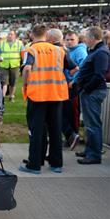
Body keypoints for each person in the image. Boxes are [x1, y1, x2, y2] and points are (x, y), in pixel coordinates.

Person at [19, 25, 70, 174]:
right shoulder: (60, 50)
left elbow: (27, 68)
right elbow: (73, 68)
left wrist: (26, 84)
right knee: (55, 129)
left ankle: (34, 165)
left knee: (36, 130)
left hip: (38, 95)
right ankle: (56, 164)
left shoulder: (31, 50)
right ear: (46, 34)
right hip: (56, 94)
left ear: (31, 35)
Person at [75, 26, 110, 164]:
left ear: (92, 38)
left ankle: (94, 155)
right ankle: (90, 151)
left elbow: (99, 74)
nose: (85, 40)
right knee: (90, 124)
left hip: (93, 92)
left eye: (86, 37)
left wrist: (86, 89)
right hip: (91, 91)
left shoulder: (101, 52)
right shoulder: (96, 51)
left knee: (93, 124)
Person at [63, 31, 88, 149]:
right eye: (67, 39)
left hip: (73, 86)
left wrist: (74, 80)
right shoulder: (68, 51)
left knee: (72, 112)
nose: (69, 42)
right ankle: (70, 138)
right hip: (67, 85)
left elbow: (83, 67)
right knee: (67, 112)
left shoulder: (80, 51)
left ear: (77, 40)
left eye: (72, 39)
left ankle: (74, 137)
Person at [0, 30, 23, 102]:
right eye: (9, 34)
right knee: (3, 81)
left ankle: (11, 96)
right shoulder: (2, 43)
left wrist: (23, 63)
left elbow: (23, 53)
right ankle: (2, 96)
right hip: (4, 65)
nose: (9, 35)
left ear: (15, 36)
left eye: (11, 34)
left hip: (15, 65)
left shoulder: (19, 43)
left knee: (13, 82)